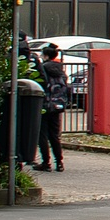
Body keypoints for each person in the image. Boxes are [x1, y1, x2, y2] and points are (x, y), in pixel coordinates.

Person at [35, 43, 69, 172]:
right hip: (57, 105)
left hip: (44, 104)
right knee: (54, 135)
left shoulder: (42, 68)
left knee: (42, 134)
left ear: (46, 55)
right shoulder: (60, 70)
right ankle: (59, 162)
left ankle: (45, 162)